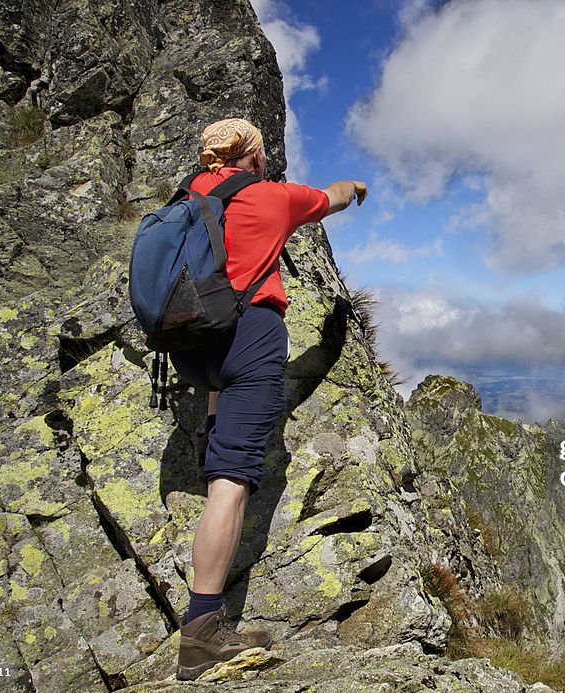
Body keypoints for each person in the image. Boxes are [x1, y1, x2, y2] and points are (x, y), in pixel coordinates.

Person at [171, 117, 367, 681]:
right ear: (255, 158)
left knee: (218, 397)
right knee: (230, 484)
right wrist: (355, 188)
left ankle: (216, 441)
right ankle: (203, 629)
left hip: (192, 343)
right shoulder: (270, 197)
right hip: (249, 335)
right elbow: (330, 197)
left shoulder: (189, 197)